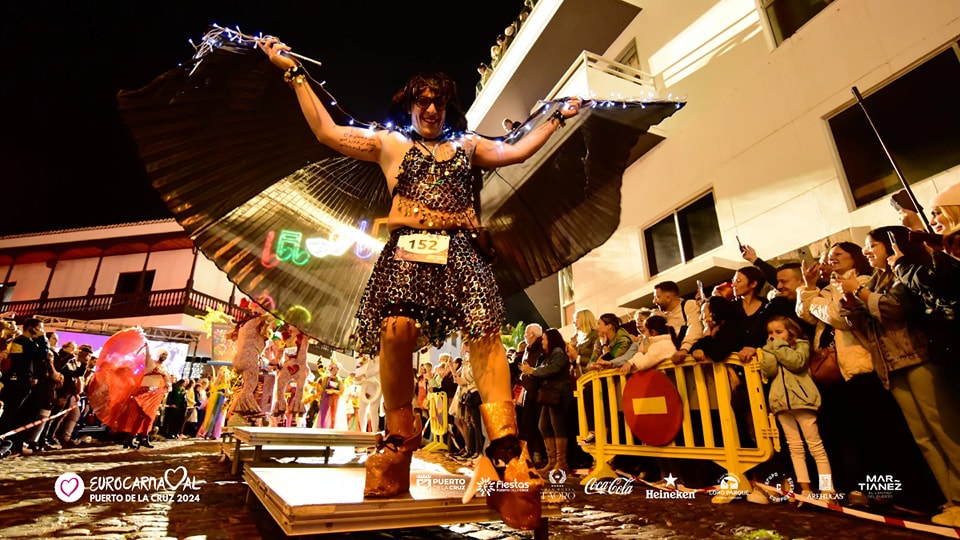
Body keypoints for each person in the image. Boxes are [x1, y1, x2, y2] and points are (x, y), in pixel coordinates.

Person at [261, 36, 582, 528]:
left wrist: (557, 117)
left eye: (439, 101)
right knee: (396, 331)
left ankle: (504, 452)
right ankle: (397, 443)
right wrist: (293, 71)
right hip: (407, 251)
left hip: (462, 252)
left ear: (447, 106)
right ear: (409, 103)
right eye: (423, 100)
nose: (431, 109)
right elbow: (326, 131)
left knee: (485, 333)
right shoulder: (389, 143)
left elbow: (516, 150)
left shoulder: (467, 146)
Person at [758, 316, 833, 504]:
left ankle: (827, 490)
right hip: (782, 404)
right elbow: (769, 371)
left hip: (803, 401)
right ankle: (805, 490)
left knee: (816, 447)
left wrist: (778, 346)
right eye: (770, 333)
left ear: (790, 332)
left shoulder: (801, 345)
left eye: (779, 331)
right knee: (795, 448)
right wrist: (768, 350)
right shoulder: (772, 349)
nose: (773, 336)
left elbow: (796, 362)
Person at [519, 328, 572, 475]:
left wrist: (533, 371)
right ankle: (552, 461)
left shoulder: (558, 352)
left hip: (558, 394)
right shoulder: (548, 355)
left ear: (551, 340)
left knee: (557, 426)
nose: (542, 341)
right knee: (543, 425)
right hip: (549, 395)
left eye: (544, 339)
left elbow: (553, 369)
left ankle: (561, 462)